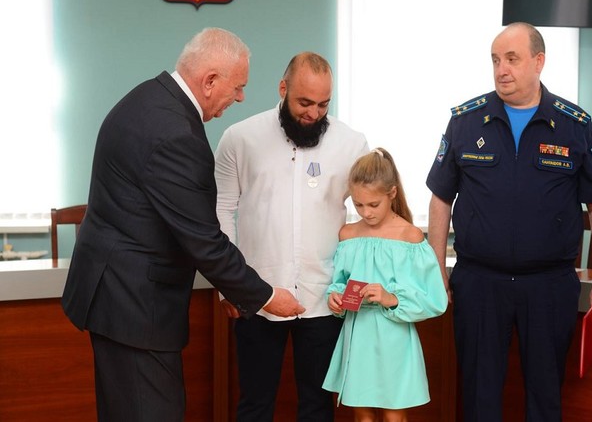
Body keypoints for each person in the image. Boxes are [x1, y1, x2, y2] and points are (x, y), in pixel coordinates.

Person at [61, 28, 304, 422]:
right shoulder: (177, 135)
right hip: (135, 307)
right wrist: (264, 296)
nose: (241, 97)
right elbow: (204, 240)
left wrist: (237, 287)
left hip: (114, 294)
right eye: (238, 87)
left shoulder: (148, 97)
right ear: (210, 81)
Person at [426, 22, 592, 422]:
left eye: (511, 59)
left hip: (548, 286)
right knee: (477, 398)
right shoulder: (466, 121)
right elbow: (441, 197)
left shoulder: (574, 124)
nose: (501, 70)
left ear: (538, 61)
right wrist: (435, 268)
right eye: (495, 60)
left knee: (545, 397)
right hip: (480, 283)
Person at [214, 51, 369, 421]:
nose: (314, 113)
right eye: (304, 102)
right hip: (257, 295)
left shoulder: (352, 144)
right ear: (282, 89)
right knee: (255, 405)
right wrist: (229, 285)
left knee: (318, 407)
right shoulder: (240, 138)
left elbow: (372, 215)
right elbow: (220, 210)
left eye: (323, 104)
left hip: (325, 298)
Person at [321, 148, 448, 422]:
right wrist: (335, 297)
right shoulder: (348, 235)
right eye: (358, 205)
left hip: (395, 338)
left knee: (393, 416)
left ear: (392, 193)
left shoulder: (410, 237)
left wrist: (392, 298)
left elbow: (435, 299)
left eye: (373, 204)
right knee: (362, 415)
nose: (366, 213)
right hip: (358, 335)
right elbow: (339, 282)